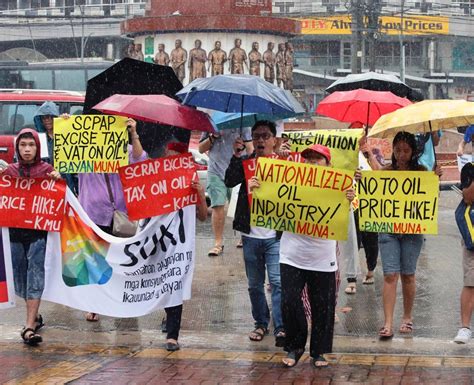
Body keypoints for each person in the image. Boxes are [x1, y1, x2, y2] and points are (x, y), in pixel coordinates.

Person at [251, 144, 354, 368]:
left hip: (322, 255)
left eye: (318, 158)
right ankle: (295, 346)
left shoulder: (339, 187)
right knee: (289, 300)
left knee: (322, 306)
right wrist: (257, 188)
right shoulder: (292, 182)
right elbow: (270, 200)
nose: (312, 162)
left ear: (328, 164)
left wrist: (349, 199)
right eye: (309, 158)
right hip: (291, 254)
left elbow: (347, 215)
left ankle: (319, 351)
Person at [78, 118, 147, 322]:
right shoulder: (84, 152)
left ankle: (122, 301)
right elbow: (64, 155)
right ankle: (94, 305)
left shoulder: (124, 151)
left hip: (119, 215)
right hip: (93, 214)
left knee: (121, 261)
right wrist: (64, 129)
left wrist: (133, 133)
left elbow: (140, 159)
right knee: (95, 261)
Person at [224, 120, 285, 347]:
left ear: (274, 140)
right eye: (256, 136)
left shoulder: (284, 165)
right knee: (254, 284)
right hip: (251, 236)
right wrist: (236, 155)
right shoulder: (247, 164)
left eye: (265, 136)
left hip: (275, 237)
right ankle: (260, 323)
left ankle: (280, 326)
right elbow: (229, 180)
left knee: (278, 283)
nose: (261, 140)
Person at [376, 131, 441, 339]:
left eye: (405, 150)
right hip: (389, 230)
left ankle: (407, 317)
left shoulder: (421, 172)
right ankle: (387, 322)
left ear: (412, 151)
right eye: (397, 150)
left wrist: (435, 179)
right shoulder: (385, 171)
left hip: (412, 231)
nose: (401, 155)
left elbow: (430, 199)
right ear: (393, 151)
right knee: (389, 275)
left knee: (408, 274)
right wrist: (363, 179)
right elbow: (374, 194)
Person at [1, 128, 61, 345]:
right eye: (23, 145)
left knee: (35, 276)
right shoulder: (8, 172)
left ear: (38, 147)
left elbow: (62, 198)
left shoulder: (47, 171)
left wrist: (59, 180)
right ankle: (34, 316)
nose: (27, 150)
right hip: (13, 236)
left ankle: (28, 328)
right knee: (18, 281)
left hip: (38, 235)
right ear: (17, 148)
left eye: (31, 145)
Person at [161, 141, 208, 351]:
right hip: (159, 243)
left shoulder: (192, 181)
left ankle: (172, 334)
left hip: (181, 245)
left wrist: (199, 194)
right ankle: (168, 318)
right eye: (169, 156)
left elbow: (203, 216)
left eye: (176, 158)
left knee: (175, 285)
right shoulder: (157, 180)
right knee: (162, 283)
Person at [199, 129, 253, 257]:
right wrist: (213, 136)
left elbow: (250, 149)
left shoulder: (244, 124)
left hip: (236, 170)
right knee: (217, 206)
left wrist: (242, 147)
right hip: (215, 171)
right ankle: (218, 243)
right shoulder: (211, 121)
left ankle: (243, 236)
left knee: (240, 205)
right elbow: (201, 148)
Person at [33, 101, 78, 194]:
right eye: (44, 117)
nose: (47, 120)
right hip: (45, 184)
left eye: (51, 117)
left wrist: (68, 123)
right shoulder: (38, 139)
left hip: (65, 183)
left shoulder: (66, 135)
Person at [453, 162, 474, 344]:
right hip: (473, 235)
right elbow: (468, 197)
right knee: (471, 281)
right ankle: (465, 327)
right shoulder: (469, 169)